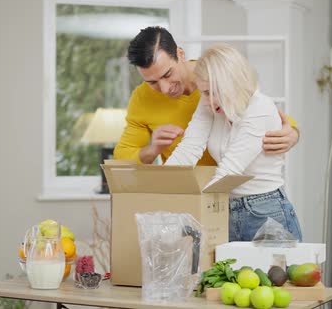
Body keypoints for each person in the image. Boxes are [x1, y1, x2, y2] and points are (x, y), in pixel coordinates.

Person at [165, 44, 302, 242]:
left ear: (232, 85)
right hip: (227, 210)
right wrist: (159, 186)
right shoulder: (212, 103)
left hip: (266, 211)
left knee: (277, 274)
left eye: (210, 92)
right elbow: (189, 148)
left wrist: (185, 206)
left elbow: (229, 171)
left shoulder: (260, 108)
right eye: (203, 92)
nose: (205, 101)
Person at [114, 26, 299, 166]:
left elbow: (265, 112)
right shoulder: (142, 98)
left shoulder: (216, 76)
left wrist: (292, 133)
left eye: (167, 74)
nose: (164, 88)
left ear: (180, 54)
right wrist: (152, 149)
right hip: (184, 195)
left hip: (236, 192)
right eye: (152, 82)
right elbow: (122, 158)